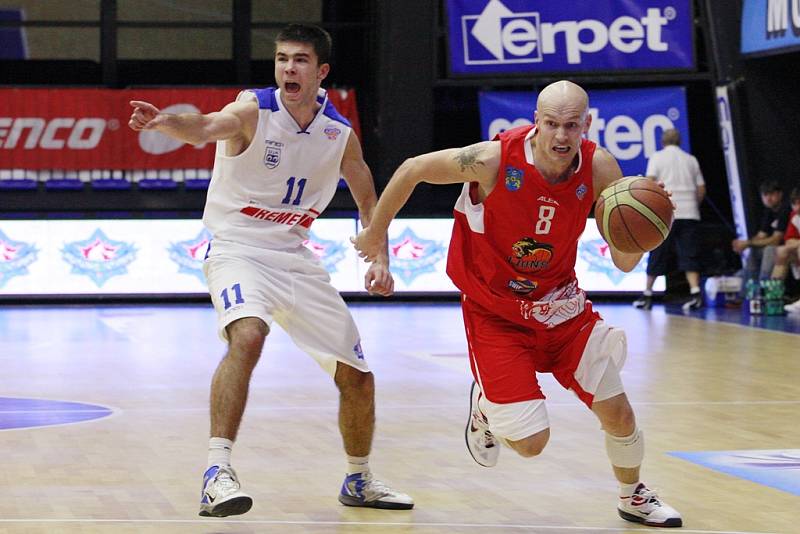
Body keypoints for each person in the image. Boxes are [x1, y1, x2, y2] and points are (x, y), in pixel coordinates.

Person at [353, 81, 682, 528]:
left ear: (587, 124)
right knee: (531, 444)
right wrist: (375, 233)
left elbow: (624, 263)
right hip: (496, 313)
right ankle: (486, 405)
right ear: (536, 121)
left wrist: (646, 231)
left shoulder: (600, 166)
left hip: (562, 308)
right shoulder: (493, 160)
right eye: (551, 124)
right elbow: (413, 168)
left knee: (618, 412)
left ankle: (633, 495)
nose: (561, 136)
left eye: (571, 125)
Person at [128, 23, 413, 517]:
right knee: (249, 334)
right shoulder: (252, 112)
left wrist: (380, 253)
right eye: (282, 59)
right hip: (238, 248)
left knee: (358, 377)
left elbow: (367, 191)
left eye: (300, 60)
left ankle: (359, 479)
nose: (287, 68)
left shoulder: (337, 132)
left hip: (296, 257)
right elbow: (205, 127)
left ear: (320, 72)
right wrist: (164, 123)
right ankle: (217, 472)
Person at [632, 129, 705, 312]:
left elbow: (649, 185)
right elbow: (701, 188)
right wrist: (693, 204)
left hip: (666, 213)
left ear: (663, 142)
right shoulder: (691, 159)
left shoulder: (657, 157)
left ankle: (647, 295)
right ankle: (696, 294)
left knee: (657, 252)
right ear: (679, 141)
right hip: (689, 212)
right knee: (690, 254)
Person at [732, 180, 791, 283]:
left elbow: (776, 240)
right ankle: (749, 291)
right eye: (765, 195)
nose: (768, 198)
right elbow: (761, 235)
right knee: (755, 251)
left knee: (769, 250)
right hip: (777, 248)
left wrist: (748, 243)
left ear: (780, 194)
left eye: (772, 194)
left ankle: (763, 291)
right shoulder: (768, 211)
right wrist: (745, 244)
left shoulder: (786, 209)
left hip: (787, 247)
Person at [774, 187, 800, 313]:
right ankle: (773, 297)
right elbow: (789, 240)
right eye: (795, 203)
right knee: (782, 252)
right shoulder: (795, 216)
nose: (797, 207)